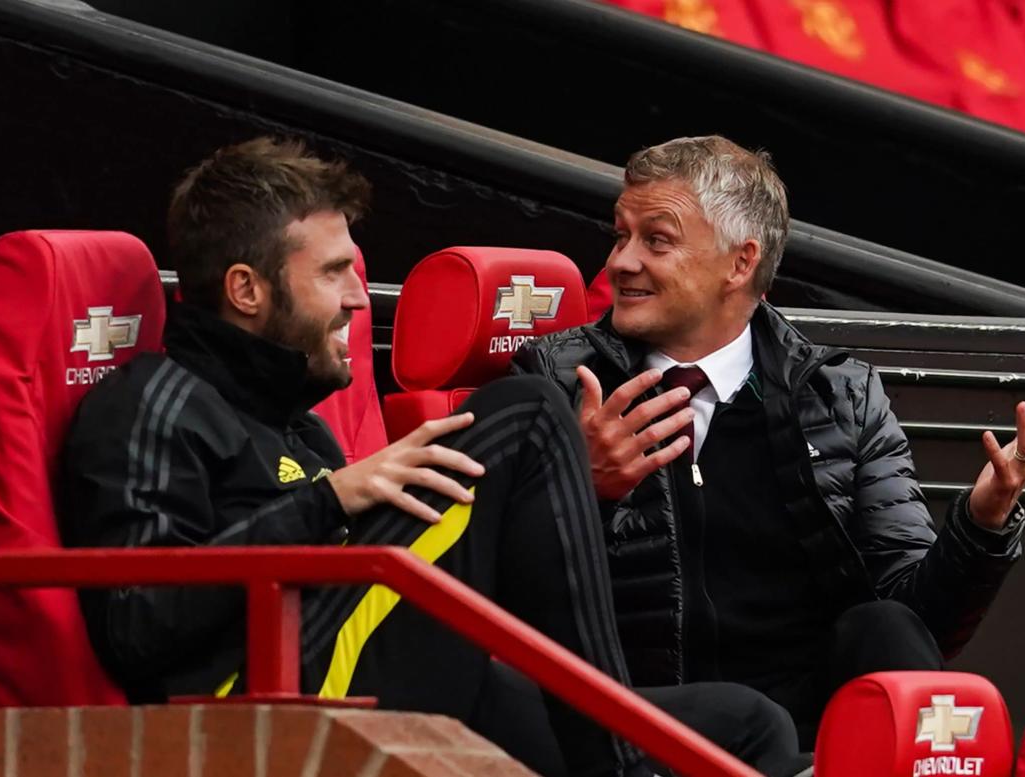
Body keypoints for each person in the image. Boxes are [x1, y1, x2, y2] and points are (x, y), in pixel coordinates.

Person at [57, 137, 810, 777]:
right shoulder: (151, 403)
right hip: (267, 704)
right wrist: (332, 500)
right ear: (246, 290)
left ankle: (614, 747)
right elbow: (135, 625)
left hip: (388, 666)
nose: (361, 299)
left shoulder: (297, 421)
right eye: (333, 273)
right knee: (526, 414)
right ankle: (614, 761)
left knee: (748, 725)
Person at [512, 135, 1025, 745]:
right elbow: (499, 593)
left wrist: (982, 522)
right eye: (621, 235)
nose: (620, 262)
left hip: (808, 729)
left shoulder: (840, 396)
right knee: (750, 721)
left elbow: (918, 627)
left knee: (883, 625)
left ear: (740, 262)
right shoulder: (557, 380)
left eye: (657, 240)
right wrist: (586, 489)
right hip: (635, 716)